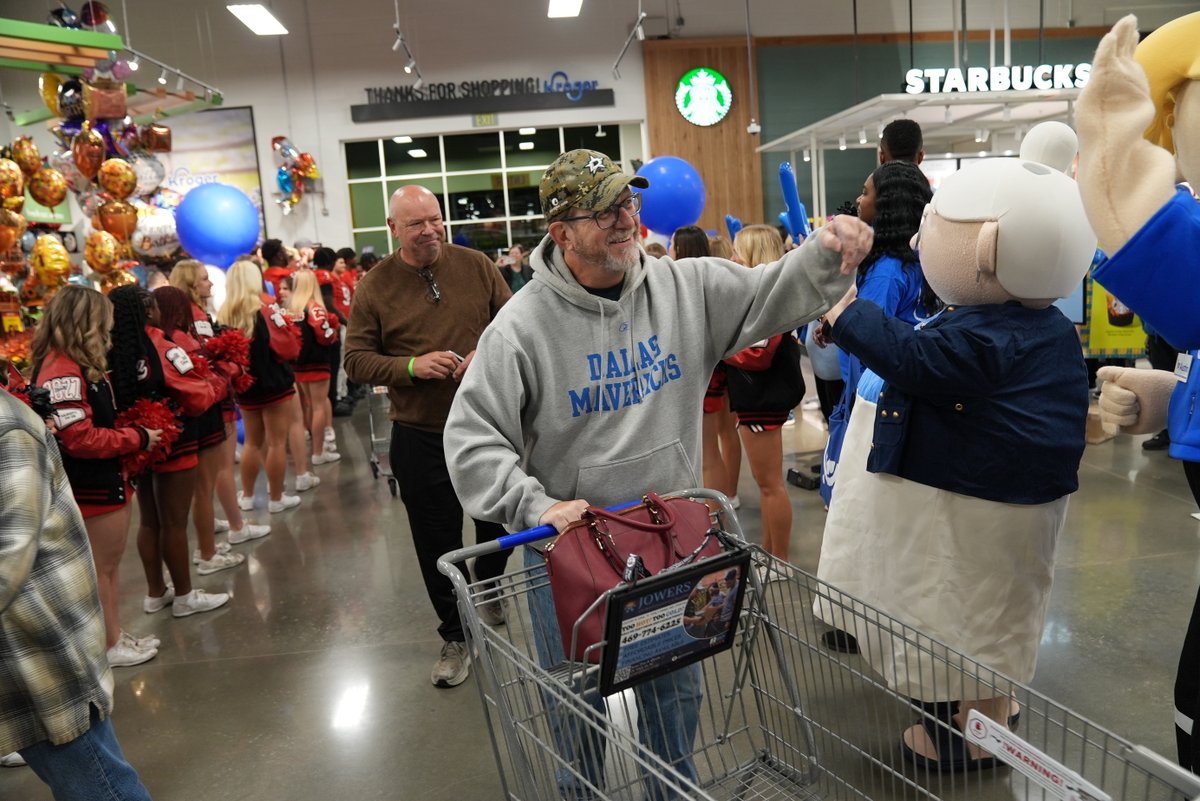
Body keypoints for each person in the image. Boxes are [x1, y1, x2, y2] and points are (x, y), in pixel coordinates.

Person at [443, 148, 869, 800]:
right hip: (570, 553)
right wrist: (532, 504)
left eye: (630, 201)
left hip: (672, 544)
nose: (625, 218)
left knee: (676, 703)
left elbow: (769, 292)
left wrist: (828, 251)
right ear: (560, 232)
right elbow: (472, 440)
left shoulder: (684, 288)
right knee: (577, 713)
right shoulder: (520, 330)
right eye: (605, 209)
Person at [343, 184, 513, 688]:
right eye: (416, 224)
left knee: (497, 522)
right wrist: (412, 366)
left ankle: (490, 580)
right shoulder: (375, 286)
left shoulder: (476, 265)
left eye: (435, 219)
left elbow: (512, 324)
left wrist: (486, 353)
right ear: (393, 229)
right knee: (435, 541)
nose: (430, 230)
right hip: (419, 433)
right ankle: (455, 634)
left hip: (487, 425)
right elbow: (355, 360)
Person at [0, 385, 154, 800]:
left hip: (40, 653)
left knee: (98, 784)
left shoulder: (6, 426)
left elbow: (9, 554)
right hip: (24, 652)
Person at [31, 285, 163, 667]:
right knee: (101, 568)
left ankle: (113, 634)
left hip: (106, 478)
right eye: (103, 322)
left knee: (108, 567)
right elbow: (79, 438)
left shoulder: (74, 363)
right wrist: (137, 437)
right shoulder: (63, 370)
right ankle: (107, 645)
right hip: (91, 483)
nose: (109, 329)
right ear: (85, 322)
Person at [726, 225, 797, 568]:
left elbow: (757, 355)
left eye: (738, 252)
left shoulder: (767, 300)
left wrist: (720, 349)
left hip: (761, 401)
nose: (732, 258)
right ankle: (771, 551)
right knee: (766, 484)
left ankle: (779, 558)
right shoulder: (764, 296)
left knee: (770, 485)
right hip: (755, 400)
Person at [217, 261, 311, 514]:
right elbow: (289, 347)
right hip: (274, 383)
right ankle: (277, 498)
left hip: (245, 386)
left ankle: (247, 496)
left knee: (252, 442)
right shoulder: (266, 310)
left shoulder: (223, 315)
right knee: (277, 442)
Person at [672, 226, 743, 509]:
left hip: (703, 373)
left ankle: (715, 516)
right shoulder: (711, 276)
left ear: (681, 249)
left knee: (707, 449)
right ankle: (731, 497)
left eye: (674, 246)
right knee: (726, 434)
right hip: (721, 369)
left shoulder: (683, 284)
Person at [288, 269, 341, 465]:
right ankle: (318, 453)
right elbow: (325, 335)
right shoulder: (315, 308)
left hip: (298, 365)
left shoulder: (291, 309)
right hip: (317, 363)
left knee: (310, 405)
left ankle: (317, 449)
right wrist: (334, 332)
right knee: (319, 406)